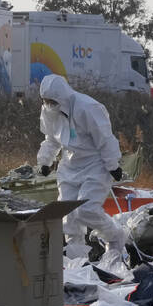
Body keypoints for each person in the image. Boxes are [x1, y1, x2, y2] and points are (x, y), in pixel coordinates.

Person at [35, 75, 128, 261]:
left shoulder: (88, 108)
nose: (48, 104)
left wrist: (113, 165)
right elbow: (51, 139)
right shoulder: (49, 111)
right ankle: (76, 262)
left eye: (52, 101)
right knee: (68, 217)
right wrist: (45, 162)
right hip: (69, 166)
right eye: (45, 101)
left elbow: (105, 138)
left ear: (61, 97)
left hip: (95, 165)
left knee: (86, 210)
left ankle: (115, 237)